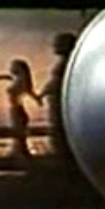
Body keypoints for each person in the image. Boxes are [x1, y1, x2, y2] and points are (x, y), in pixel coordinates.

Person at [37, 32, 78, 164]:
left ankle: (64, 159)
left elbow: (57, 82)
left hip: (61, 102)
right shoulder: (66, 63)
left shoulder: (67, 64)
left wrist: (45, 92)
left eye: (57, 43)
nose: (53, 46)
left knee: (60, 129)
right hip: (57, 100)